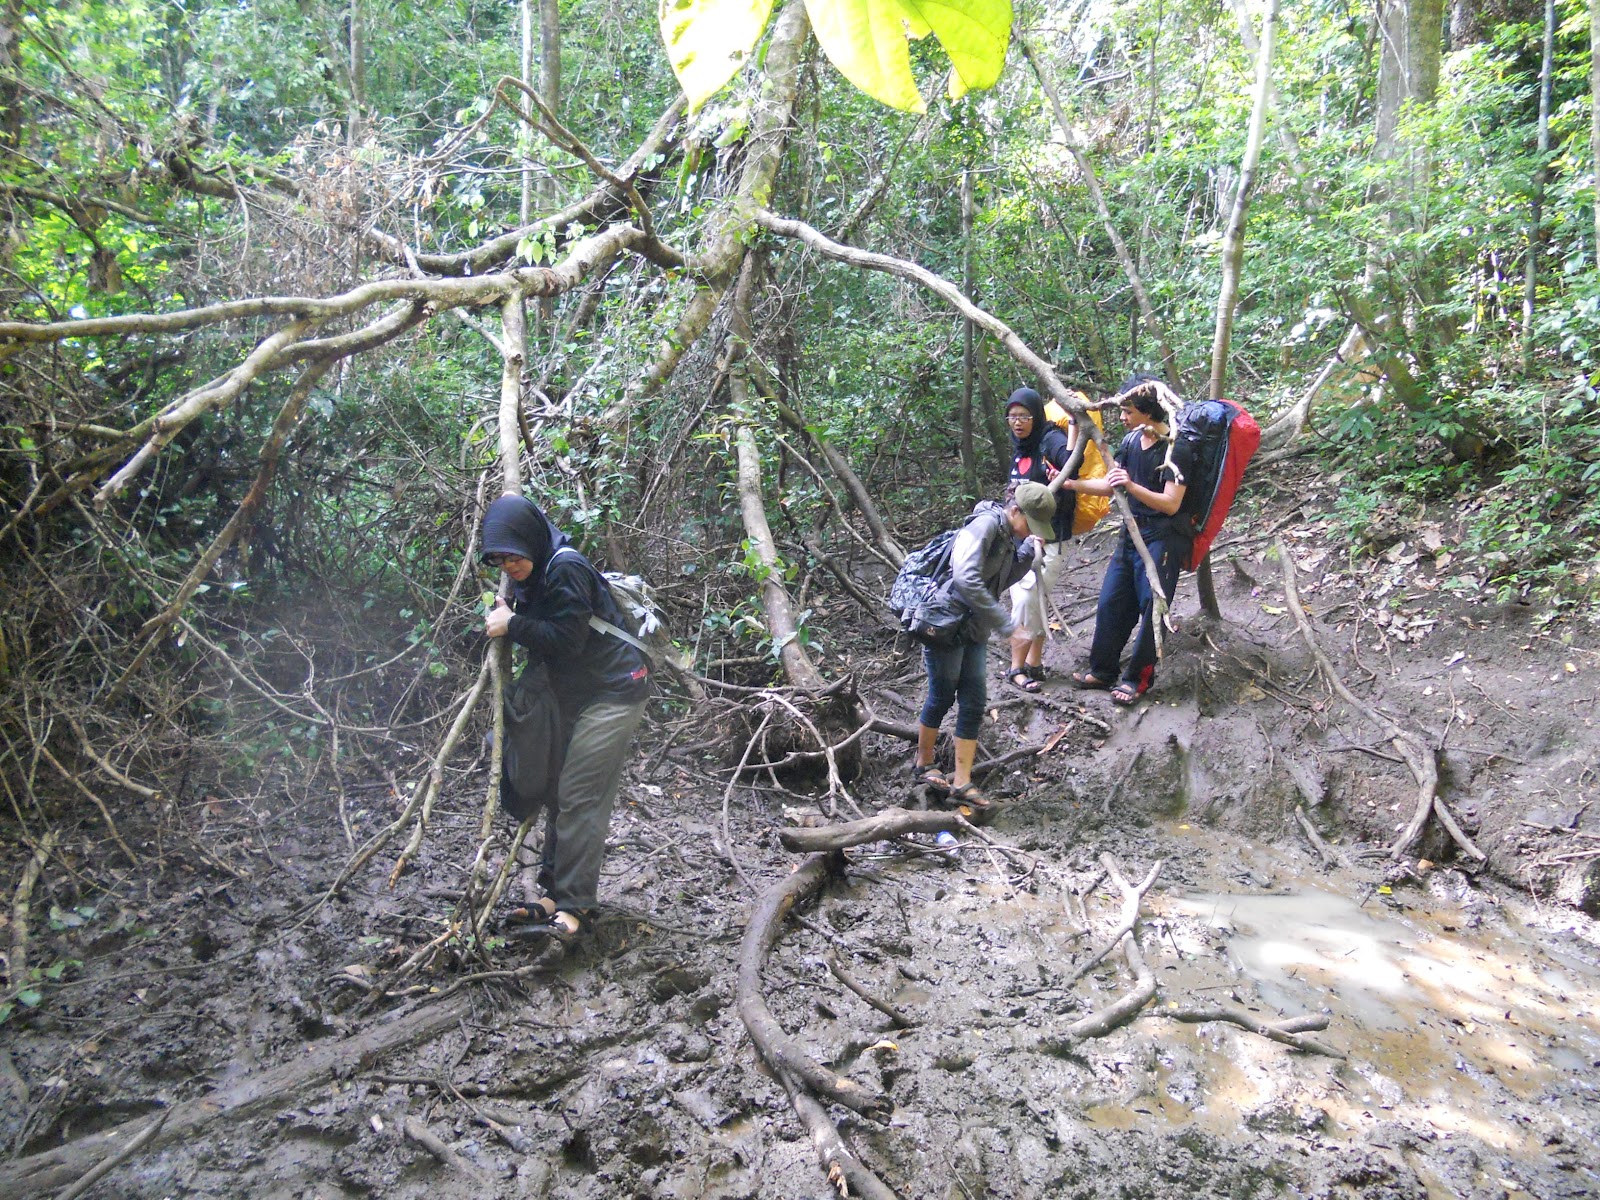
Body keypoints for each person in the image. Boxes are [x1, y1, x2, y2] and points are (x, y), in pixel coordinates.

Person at [480, 493, 651, 940]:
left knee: (579, 793)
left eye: (513, 555)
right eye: (497, 559)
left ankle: (576, 907)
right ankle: (554, 894)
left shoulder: (566, 568)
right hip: (576, 693)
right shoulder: (527, 575)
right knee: (559, 790)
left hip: (616, 690)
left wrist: (511, 626)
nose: (508, 566)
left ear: (531, 541)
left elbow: (567, 640)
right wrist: (511, 611)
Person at [911, 484, 1053, 813]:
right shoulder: (986, 525)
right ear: (1015, 510)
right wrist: (1007, 625)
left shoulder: (1009, 537)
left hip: (974, 627)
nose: (1031, 531)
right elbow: (965, 577)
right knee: (943, 694)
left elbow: (1000, 580)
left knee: (974, 701)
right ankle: (923, 762)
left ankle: (962, 782)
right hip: (944, 623)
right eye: (1030, 524)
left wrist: (1028, 551)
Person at [1066, 377, 1195, 706]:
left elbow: (1171, 503)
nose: (1122, 416)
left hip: (1162, 539)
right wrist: (1069, 484)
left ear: (1149, 410)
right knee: (1112, 601)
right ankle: (1103, 669)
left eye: (1128, 410)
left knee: (1154, 608)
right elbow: (1112, 486)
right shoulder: (1131, 441)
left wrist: (1132, 487)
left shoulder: (1177, 447)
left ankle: (1138, 679)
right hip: (1130, 534)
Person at [1002, 387, 1086, 693]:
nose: (1018, 422)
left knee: (1026, 603)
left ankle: (1016, 669)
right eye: (1012, 416)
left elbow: (1070, 462)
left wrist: (1075, 423)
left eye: (1024, 416)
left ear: (1036, 415)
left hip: (1048, 538)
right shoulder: (1021, 447)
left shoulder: (1049, 439)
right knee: (1030, 602)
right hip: (1019, 540)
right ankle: (1034, 663)